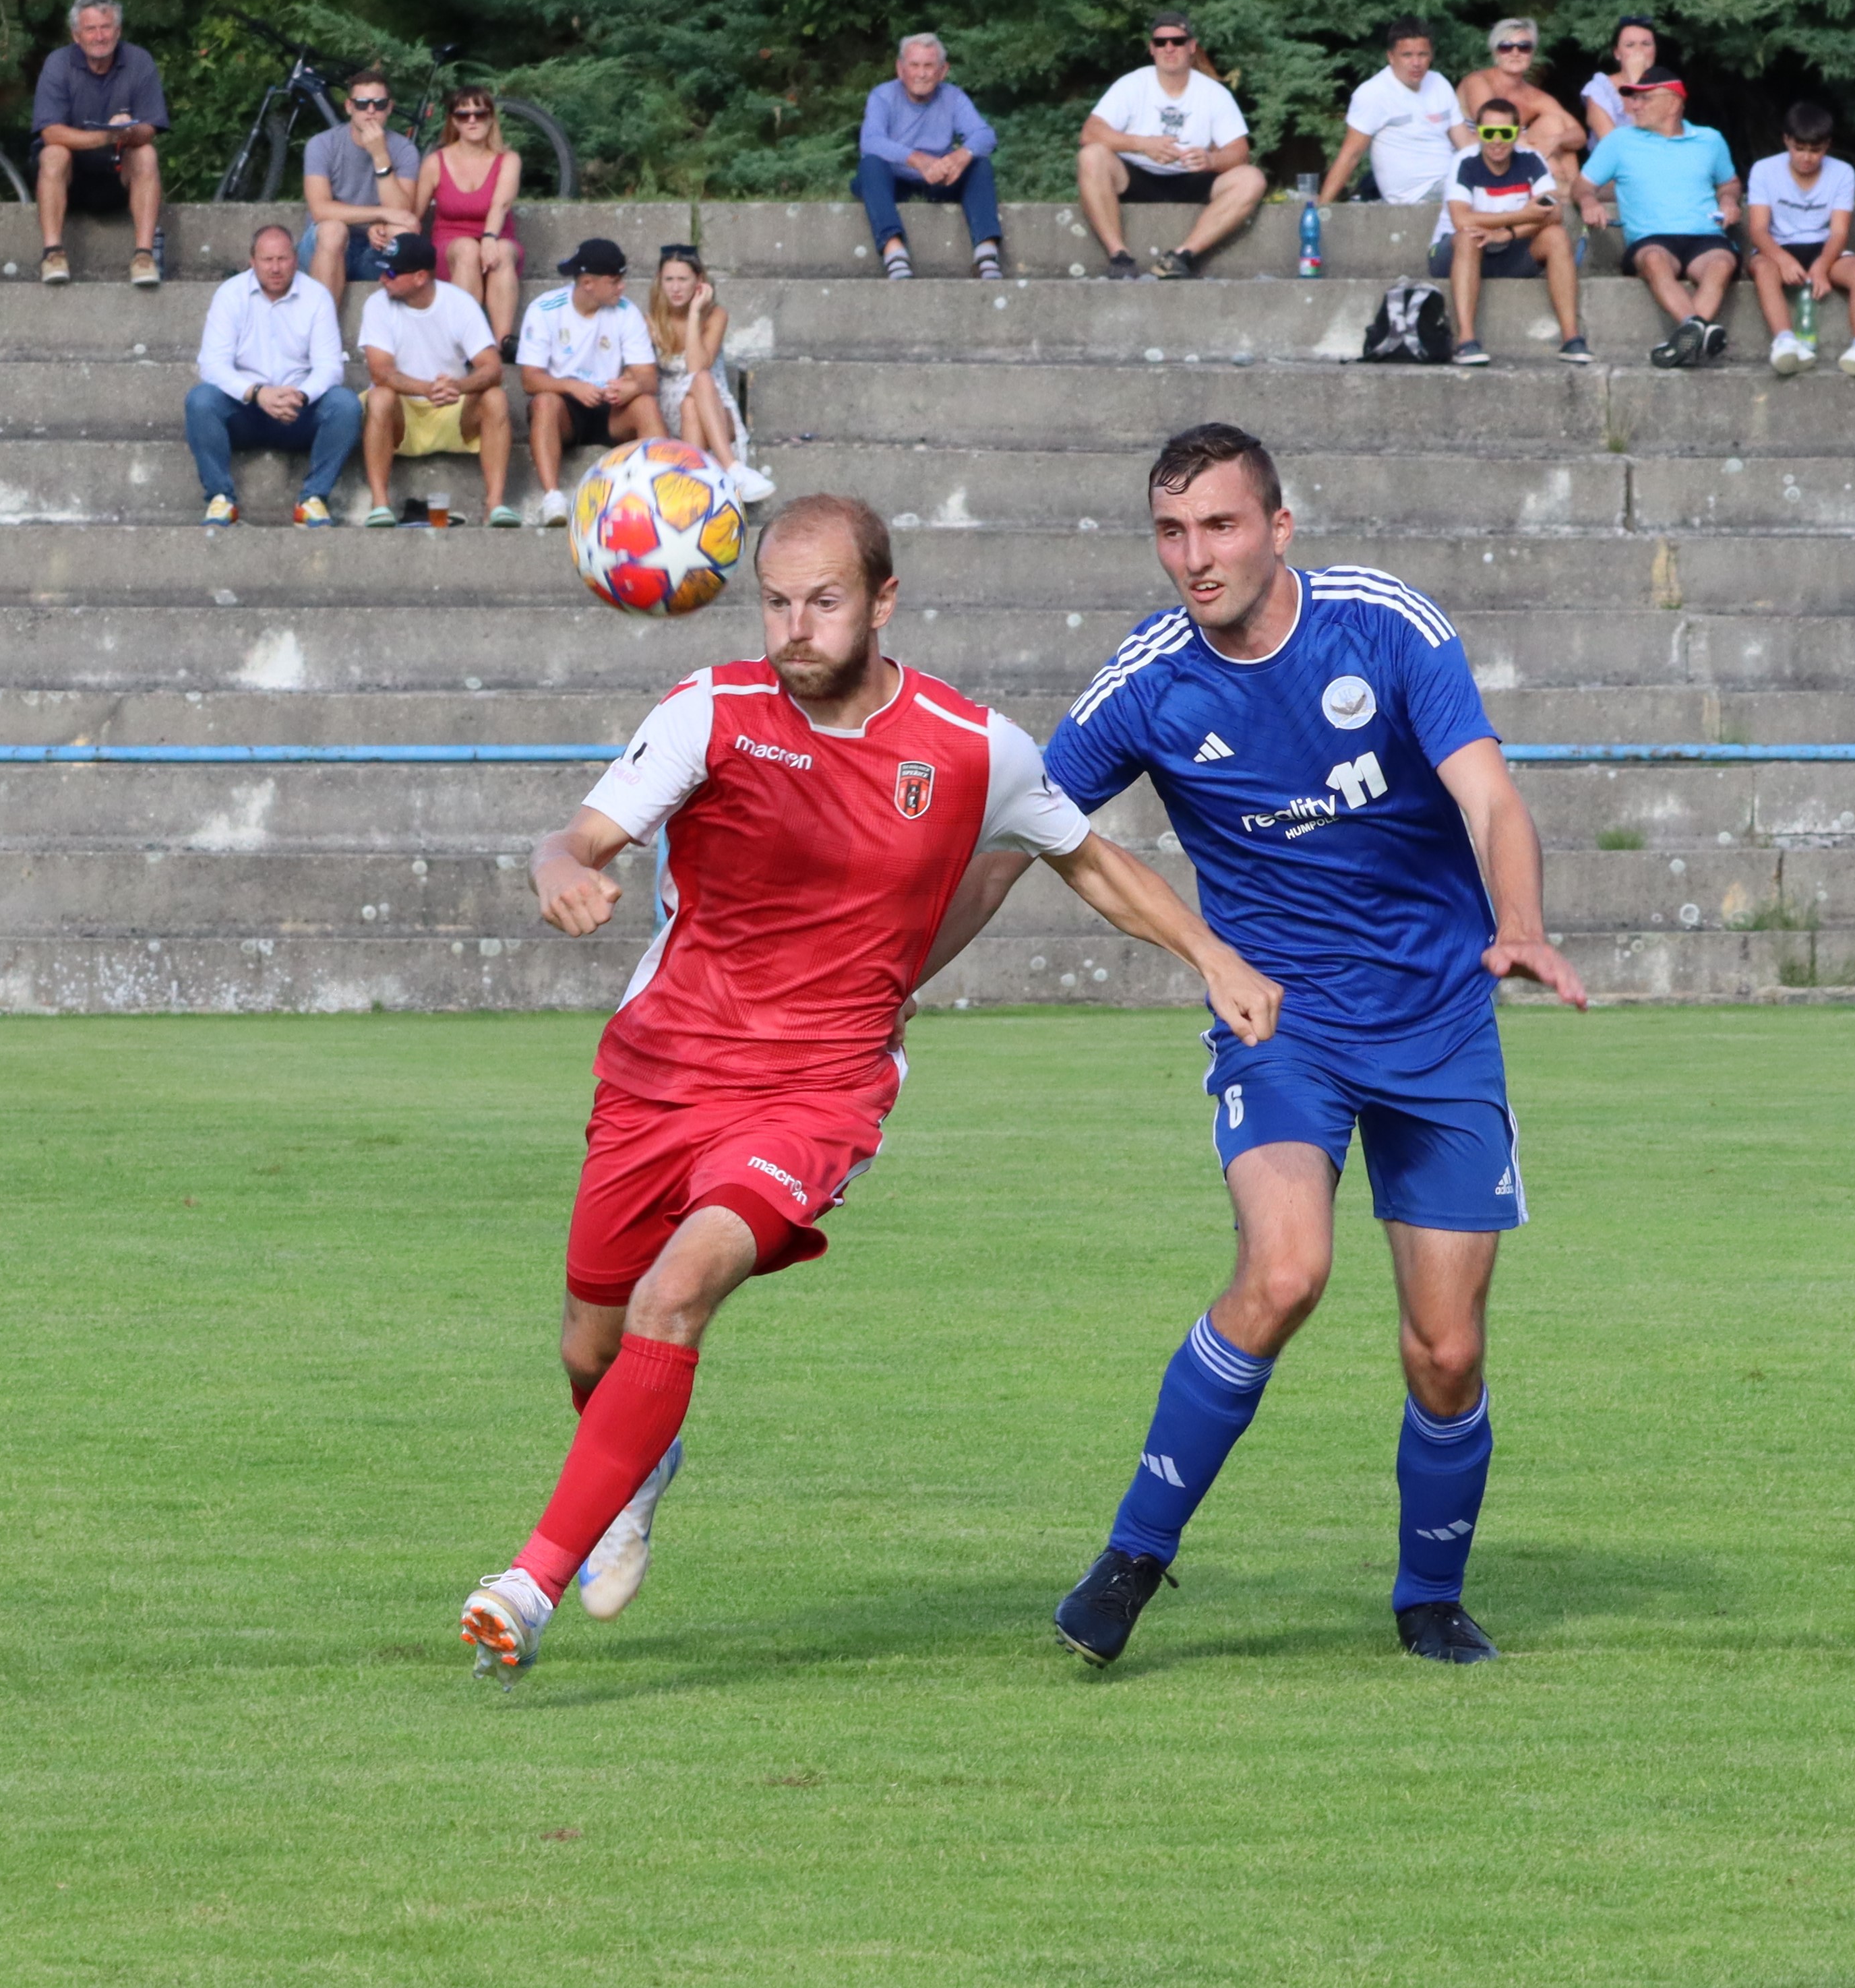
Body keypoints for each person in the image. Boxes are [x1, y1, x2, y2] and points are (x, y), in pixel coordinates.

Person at [451, 497, 1278, 1683]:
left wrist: (1212, 958)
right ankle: (637, 1460)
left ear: (883, 601)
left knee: (674, 1294)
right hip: (660, 1073)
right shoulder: (709, 711)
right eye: (776, 602)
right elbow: (573, 840)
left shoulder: (970, 746)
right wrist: (553, 870)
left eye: (823, 601)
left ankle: (526, 1585)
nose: (795, 626)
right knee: (592, 1345)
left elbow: (1088, 859)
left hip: (817, 1090)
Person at [1016, 424, 1585, 1671]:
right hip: (1282, 1024)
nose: (1194, 556)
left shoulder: (1382, 626)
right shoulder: (1147, 681)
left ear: (1278, 528)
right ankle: (1129, 1559)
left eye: (1218, 526)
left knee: (1446, 1350)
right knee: (1283, 1273)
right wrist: (892, 972)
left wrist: (1520, 924)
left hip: (1438, 1020)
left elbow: (1488, 795)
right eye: (1171, 532)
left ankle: (1428, 1598)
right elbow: (1023, 826)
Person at [186, 223, 353, 526]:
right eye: (267, 260)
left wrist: (301, 396)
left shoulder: (317, 296)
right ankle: (221, 498)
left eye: (283, 259)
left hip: (298, 410)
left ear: (295, 260)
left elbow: (330, 367)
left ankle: (313, 499)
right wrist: (258, 393)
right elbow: (212, 364)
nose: (275, 268)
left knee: (346, 405)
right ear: (253, 261)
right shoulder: (230, 294)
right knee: (201, 400)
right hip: (246, 410)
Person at [1078, 11, 1266, 279]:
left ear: (1191, 47)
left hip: (1193, 178)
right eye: (1161, 42)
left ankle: (1182, 256)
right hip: (1137, 177)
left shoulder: (1215, 93)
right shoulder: (1131, 85)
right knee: (1091, 156)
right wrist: (1142, 144)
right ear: (1152, 49)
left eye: (1177, 41)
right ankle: (1119, 256)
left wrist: (1211, 160)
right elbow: (1090, 133)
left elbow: (1240, 153)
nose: (1169, 48)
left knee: (1252, 179)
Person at [1580, 75, 1741, 368]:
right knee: (1655, 261)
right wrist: (1588, 202)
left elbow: (1729, 183)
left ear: (1674, 103)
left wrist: (1729, 200)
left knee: (1722, 264)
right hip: (1651, 238)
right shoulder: (1619, 140)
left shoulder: (1710, 140)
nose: (1634, 106)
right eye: (1633, 98)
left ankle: (1689, 336)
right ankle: (1698, 329)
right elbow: (1582, 186)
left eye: (1645, 98)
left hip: (1706, 234)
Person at [357, 229, 514, 526]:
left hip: (452, 409)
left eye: (391, 273)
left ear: (420, 277)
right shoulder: (377, 305)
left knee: (496, 397)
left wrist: (458, 386)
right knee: (379, 397)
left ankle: (494, 505)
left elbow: (492, 368)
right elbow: (380, 372)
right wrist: (427, 388)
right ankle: (380, 505)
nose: (382, 279)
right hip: (403, 414)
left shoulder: (459, 303)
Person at [1744, 102, 1855, 377]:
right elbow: (1758, 229)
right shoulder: (1764, 170)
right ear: (1786, 140)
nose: (1807, 158)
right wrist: (1783, 260)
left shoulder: (1843, 172)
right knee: (1763, 269)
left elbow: (1839, 232)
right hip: (1778, 246)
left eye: (1815, 150)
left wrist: (1822, 266)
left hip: (1824, 246)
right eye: (1799, 149)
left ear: (1827, 145)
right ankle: (1785, 341)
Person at [518, 237, 663, 526]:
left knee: (646, 404)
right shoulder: (545, 309)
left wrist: (632, 387)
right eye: (614, 281)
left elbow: (648, 377)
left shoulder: (627, 312)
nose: (622, 287)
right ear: (587, 283)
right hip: (565, 409)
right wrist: (572, 386)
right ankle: (553, 498)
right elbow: (529, 380)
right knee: (544, 403)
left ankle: (660, 494)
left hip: (611, 406)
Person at [1436, 98, 1587, 368]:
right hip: (1458, 252)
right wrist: (1522, 216)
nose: (1496, 140)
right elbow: (1462, 220)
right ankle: (1466, 341)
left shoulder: (1531, 160)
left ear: (1517, 134)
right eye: (1488, 132)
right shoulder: (1464, 161)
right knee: (1469, 236)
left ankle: (1572, 338)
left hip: (1510, 248)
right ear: (1478, 133)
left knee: (1557, 235)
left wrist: (1508, 233)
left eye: (1505, 133)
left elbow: (1553, 212)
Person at [32, 0, 166, 288]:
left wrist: (129, 132)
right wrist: (106, 136)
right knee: (53, 153)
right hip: (70, 178)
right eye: (91, 29)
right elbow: (50, 132)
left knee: (146, 153)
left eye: (106, 28)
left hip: (118, 173)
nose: (99, 36)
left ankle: (144, 256)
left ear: (118, 31)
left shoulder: (140, 61)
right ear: (76, 35)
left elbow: (151, 128)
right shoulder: (58, 63)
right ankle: (53, 254)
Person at [855, 33, 1004, 280]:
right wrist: (917, 159)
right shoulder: (882, 96)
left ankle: (986, 254)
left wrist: (961, 156)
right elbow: (871, 141)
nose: (921, 74)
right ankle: (894, 252)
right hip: (895, 180)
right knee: (870, 164)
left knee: (979, 164)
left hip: (940, 179)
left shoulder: (953, 97)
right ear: (900, 69)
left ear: (943, 71)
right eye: (914, 65)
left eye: (929, 66)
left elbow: (985, 135)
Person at [644, 245, 770, 498]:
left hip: (714, 405)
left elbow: (697, 367)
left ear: (699, 281)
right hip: (671, 410)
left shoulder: (716, 315)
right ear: (660, 281)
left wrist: (694, 313)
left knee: (700, 383)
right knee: (690, 404)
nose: (676, 288)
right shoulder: (651, 320)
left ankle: (693, 487)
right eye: (669, 279)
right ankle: (732, 470)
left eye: (683, 279)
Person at [299, 64, 422, 301]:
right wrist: (380, 215)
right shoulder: (322, 145)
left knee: (402, 233)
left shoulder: (404, 150)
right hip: (325, 247)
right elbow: (320, 210)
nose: (371, 111)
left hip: (375, 250)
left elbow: (402, 213)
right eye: (362, 104)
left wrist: (380, 155)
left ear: (390, 108)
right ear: (349, 107)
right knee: (333, 230)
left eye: (379, 104)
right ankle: (322, 324)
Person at [1318, 20, 1466, 211]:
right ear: (1391, 57)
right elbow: (1351, 155)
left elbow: (1466, 144)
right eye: (1407, 55)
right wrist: (1320, 209)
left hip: (1451, 179)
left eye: (1423, 55)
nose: (1416, 63)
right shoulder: (1374, 93)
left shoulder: (1439, 83)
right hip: (1415, 195)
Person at [421, 84, 527, 344]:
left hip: (497, 237)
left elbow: (501, 204)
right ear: (453, 121)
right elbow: (415, 211)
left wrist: (489, 238)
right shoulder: (435, 162)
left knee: (502, 251)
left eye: (480, 114)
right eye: (463, 115)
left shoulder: (508, 159)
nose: (472, 120)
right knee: (468, 249)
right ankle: (467, 342)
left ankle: (503, 341)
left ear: (491, 118)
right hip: (450, 245)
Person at [1451, 17, 1587, 201]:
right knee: (1551, 154)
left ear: (1532, 53)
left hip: (1515, 154)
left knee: (1555, 125)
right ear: (1495, 52)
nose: (1515, 53)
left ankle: (1570, 195)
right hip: (1482, 156)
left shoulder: (1534, 96)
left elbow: (1579, 136)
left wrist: (1555, 141)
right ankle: (1572, 193)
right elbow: (1495, 129)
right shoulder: (1478, 82)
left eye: (1524, 47)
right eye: (1506, 47)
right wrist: (1545, 158)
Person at [1578, 17, 1660, 147]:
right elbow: (1612, 144)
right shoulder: (1599, 89)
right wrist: (1636, 82)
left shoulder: (1665, 89)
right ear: (1617, 53)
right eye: (1630, 45)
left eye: (1646, 44)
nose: (1639, 50)